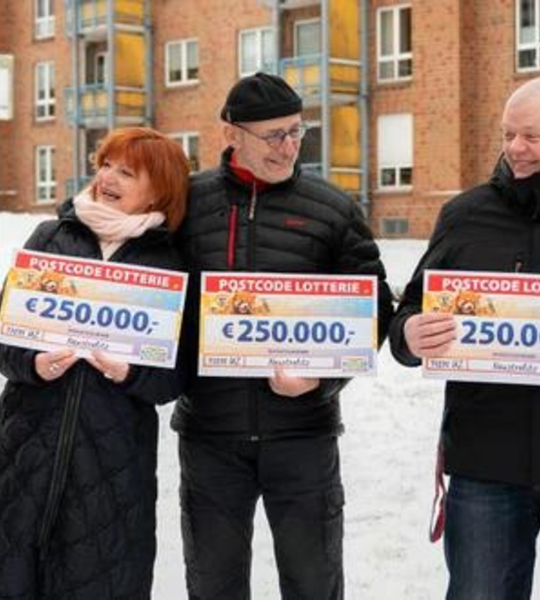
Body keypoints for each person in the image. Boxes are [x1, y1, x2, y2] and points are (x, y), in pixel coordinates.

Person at [172, 72, 393, 599]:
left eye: (297, 131)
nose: (289, 145)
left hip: (304, 436)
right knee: (213, 584)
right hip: (211, 436)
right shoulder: (186, 204)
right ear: (232, 133)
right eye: (274, 135)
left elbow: (373, 310)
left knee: (314, 583)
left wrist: (320, 380)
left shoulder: (333, 209)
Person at [0, 127, 190, 599]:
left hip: (112, 462)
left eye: (127, 171)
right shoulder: (53, 236)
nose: (108, 176)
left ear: (158, 190)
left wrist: (133, 373)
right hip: (23, 451)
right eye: (105, 164)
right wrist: (32, 362)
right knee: (4, 578)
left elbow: (179, 372)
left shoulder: (169, 262)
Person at [389, 77, 540, 599]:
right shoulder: (465, 214)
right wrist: (410, 332)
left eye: (533, 138)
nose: (516, 149)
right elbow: (409, 312)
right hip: (484, 459)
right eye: (508, 134)